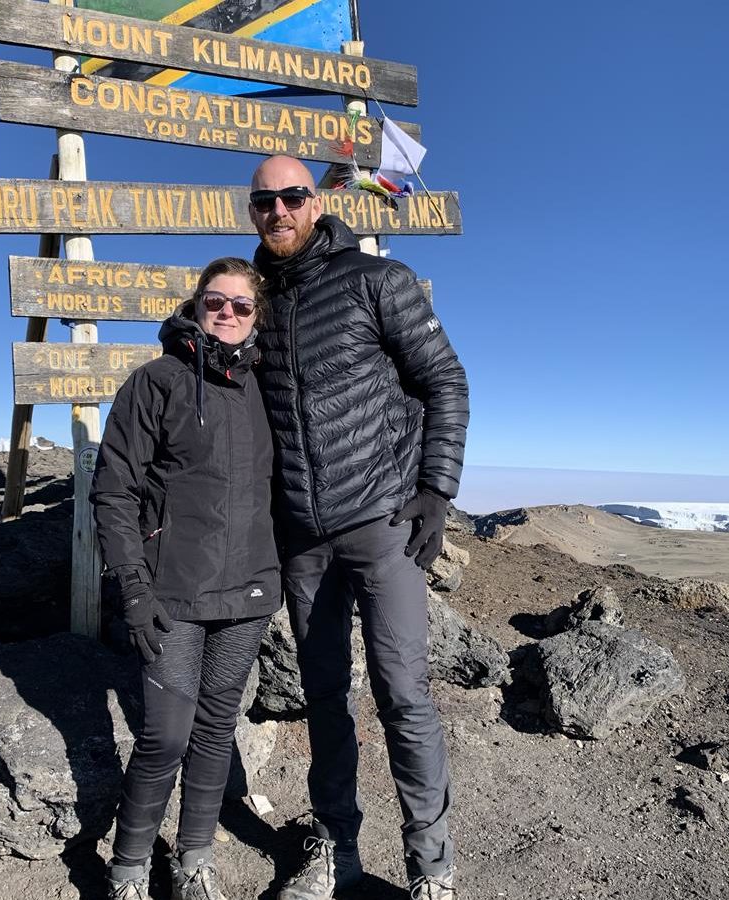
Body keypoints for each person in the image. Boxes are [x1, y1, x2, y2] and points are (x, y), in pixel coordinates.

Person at [248, 156, 469, 900]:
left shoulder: (378, 280)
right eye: (264, 202)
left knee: (403, 693)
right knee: (323, 698)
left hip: (382, 526)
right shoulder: (255, 301)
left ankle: (431, 868)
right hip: (303, 540)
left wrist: (436, 489)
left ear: (316, 204)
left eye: (291, 197)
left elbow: (445, 381)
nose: (277, 211)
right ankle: (335, 849)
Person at [91, 257, 280, 900]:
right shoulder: (155, 382)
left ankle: (193, 859)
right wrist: (134, 589)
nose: (226, 313)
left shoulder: (270, 389)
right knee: (165, 734)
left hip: (250, 589)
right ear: (195, 305)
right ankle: (129, 868)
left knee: (215, 729)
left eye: (241, 305)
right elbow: (113, 493)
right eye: (214, 300)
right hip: (171, 594)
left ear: (258, 316)